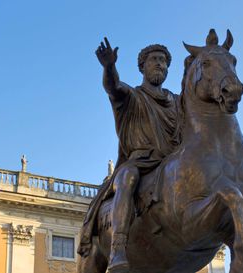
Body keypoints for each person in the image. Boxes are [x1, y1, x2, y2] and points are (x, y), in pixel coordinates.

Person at [79, 38, 181, 272]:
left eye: (164, 61)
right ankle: (118, 246)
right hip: (140, 160)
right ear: (142, 67)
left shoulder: (177, 102)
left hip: (171, 163)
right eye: (154, 60)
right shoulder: (131, 96)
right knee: (127, 178)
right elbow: (113, 86)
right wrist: (109, 67)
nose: (160, 65)